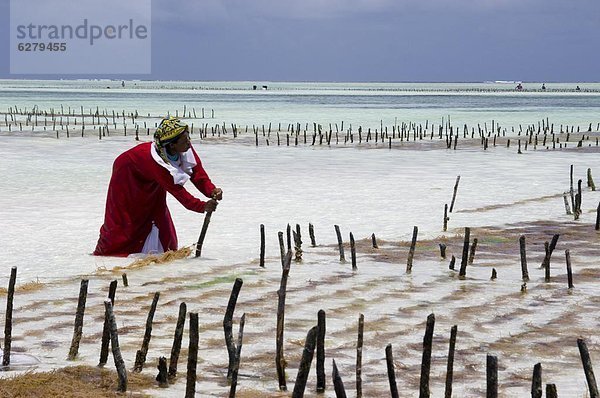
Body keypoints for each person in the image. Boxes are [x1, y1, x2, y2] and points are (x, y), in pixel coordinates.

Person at [94, 117, 222, 256]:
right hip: (127, 175)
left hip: (150, 176)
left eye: (188, 137)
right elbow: (179, 193)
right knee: (126, 219)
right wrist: (202, 206)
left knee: (158, 212)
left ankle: (160, 253)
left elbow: (197, 173)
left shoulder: (184, 147)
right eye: (185, 140)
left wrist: (211, 190)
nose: (189, 142)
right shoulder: (157, 162)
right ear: (172, 145)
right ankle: (111, 255)